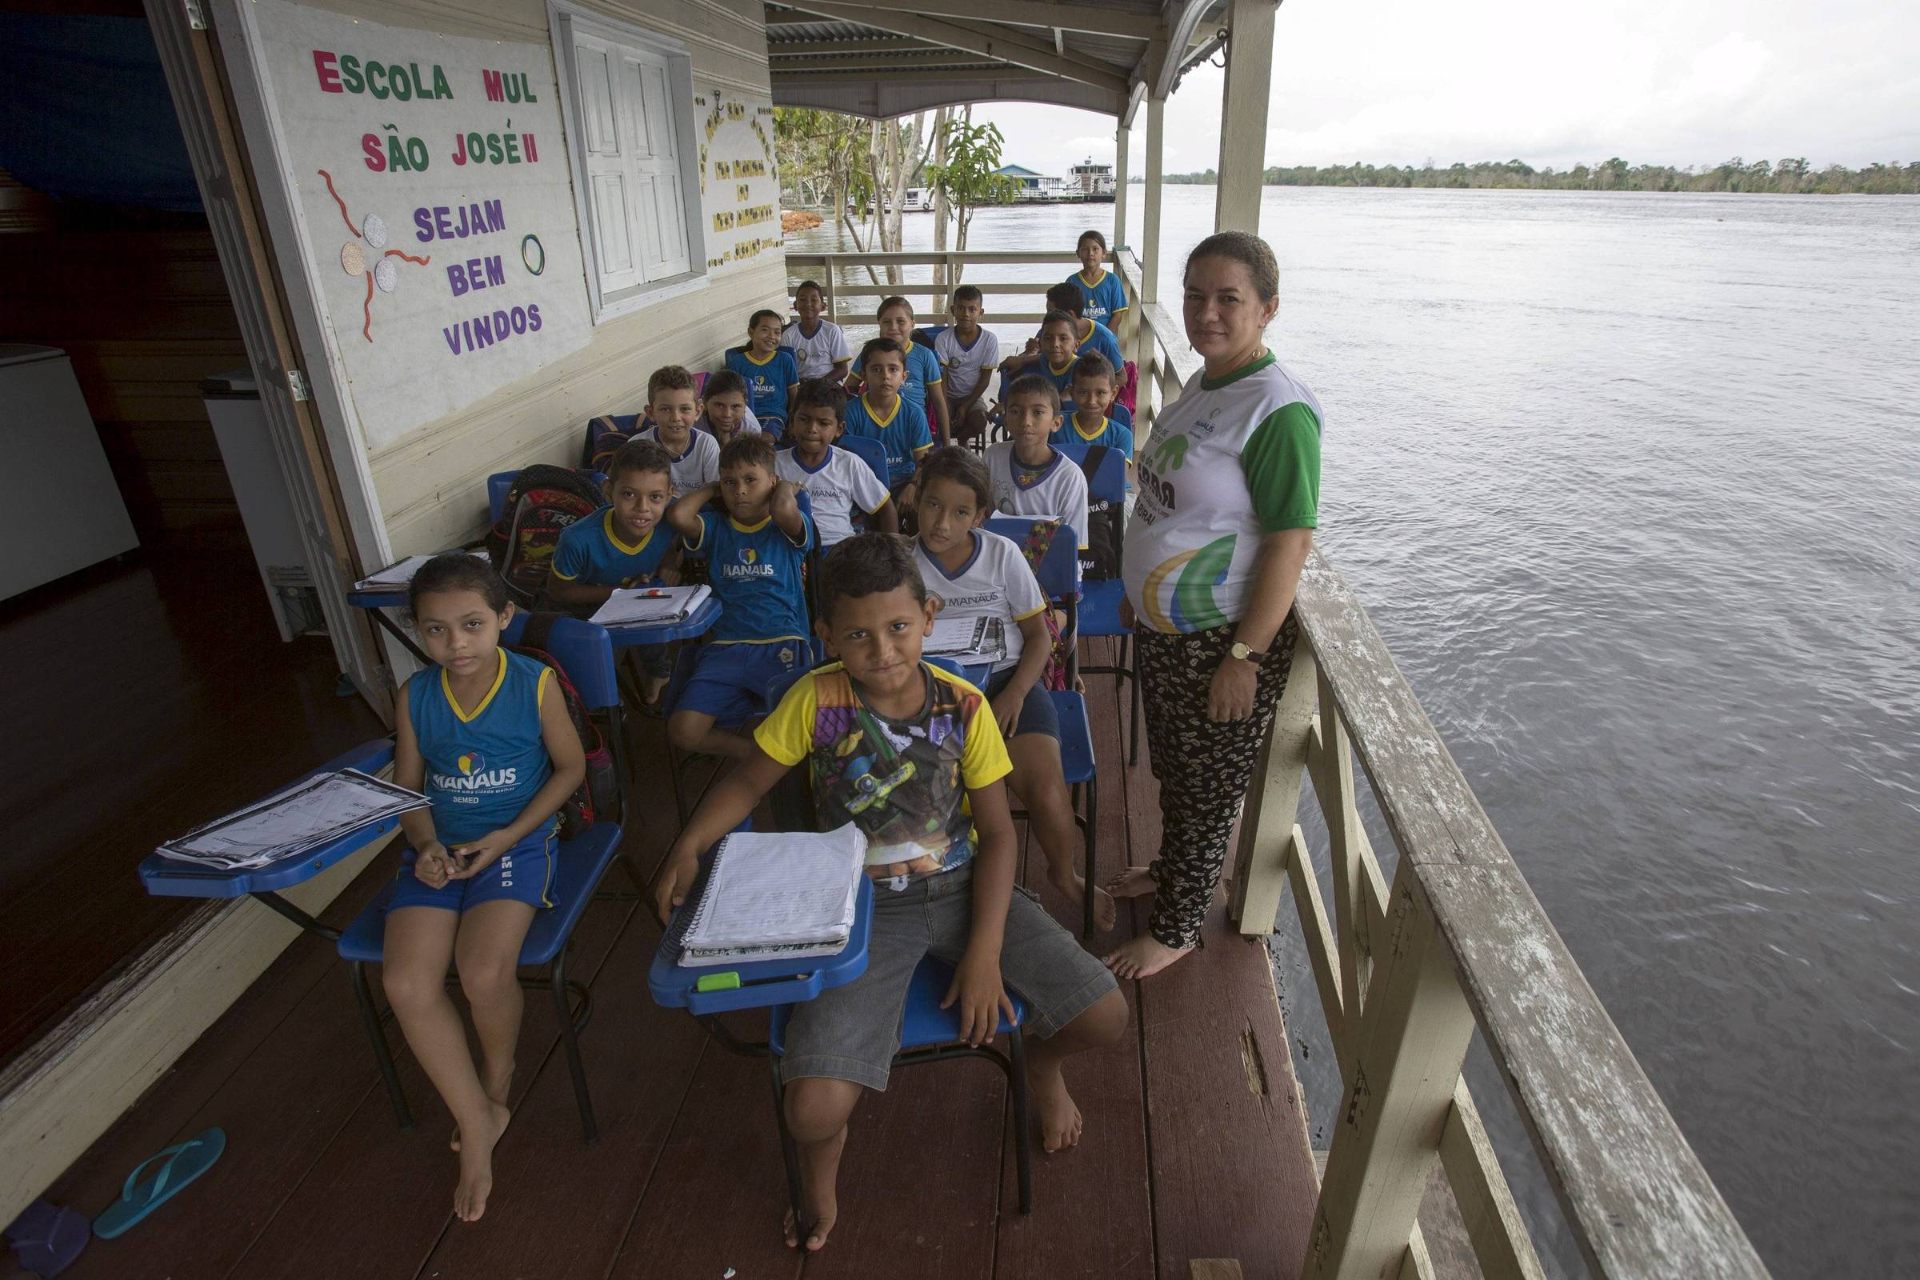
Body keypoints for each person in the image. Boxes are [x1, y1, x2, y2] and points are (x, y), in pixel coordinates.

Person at [653, 533, 1129, 1252]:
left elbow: (1000, 836)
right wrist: (689, 843)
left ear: (928, 615)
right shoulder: (814, 701)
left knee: (1104, 1016)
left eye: (898, 627)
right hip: (856, 909)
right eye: (858, 634)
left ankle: (1046, 1066)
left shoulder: (964, 705)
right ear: (827, 635)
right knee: (810, 1111)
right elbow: (750, 779)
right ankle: (822, 1174)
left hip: (968, 886)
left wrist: (985, 951)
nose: (882, 649)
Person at [1105, 230, 1323, 980]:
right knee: (1175, 772)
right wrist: (1139, 592)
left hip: (1218, 639)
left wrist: (1245, 656)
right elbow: (1173, 505)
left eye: (1229, 299)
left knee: (1208, 793)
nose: (1207, 313)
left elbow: (1290, 542)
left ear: (1267, 309)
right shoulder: (1205, 382)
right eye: (1196, 296)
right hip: (1168, 627)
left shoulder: (1277, 409)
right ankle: (1172, 873)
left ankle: (1175, 930)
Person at [382, 553, 586, 1223]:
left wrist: (507, 836)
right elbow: (408, 789)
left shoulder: (532, 684)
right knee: (406, 984)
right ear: (417, 630)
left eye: (472, 624)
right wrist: (424, 845)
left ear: (503, 617)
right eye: (435, 630)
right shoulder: (415, 696)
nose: (455, 644)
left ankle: (496, 1081)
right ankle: (477, 1121)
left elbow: (569, 769)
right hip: (439, 852)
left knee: (481, 973)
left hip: (517, 844)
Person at [914, 447, 1114, 930]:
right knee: (935, 797)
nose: (943, 523)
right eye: (932, 505)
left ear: (981, 516)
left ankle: (1063, 874)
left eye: (961, 512)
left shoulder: (1002, 554)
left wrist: (1016, 694)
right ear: (915, 501)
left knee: (1046, 789)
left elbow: (1040, 636)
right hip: (929, 695)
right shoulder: (900, 563)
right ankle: (952, 893)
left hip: (1005, 681)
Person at [662, 433, 815, 760]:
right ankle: (759, 759)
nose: (740, 490)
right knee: (682, 731)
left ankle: (781, 763)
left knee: (808, 725)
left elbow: (786, 508)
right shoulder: (717, 526)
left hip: (782, 642)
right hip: (725, 648)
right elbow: (678, 517)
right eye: (730, 482)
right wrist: (713, 488)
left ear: (771, 482)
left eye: (750, 480)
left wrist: (784, 487)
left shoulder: (783, 527)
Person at [545, 438, 679, 704]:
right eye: (629, 494)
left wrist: (668, 565)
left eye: (655, 497)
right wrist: (617, 593)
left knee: (651, 603)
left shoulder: (669, 521)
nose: (643, 508)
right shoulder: (578, 539)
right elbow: (557, 592)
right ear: (609, 491)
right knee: (593, 681)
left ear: (669, 495)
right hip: (582, 608)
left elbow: (672, 544)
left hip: (635, 599)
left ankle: (658, 671)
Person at [776, 379, 898, 547]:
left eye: (823, 423)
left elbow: (885, 508)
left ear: (839, 429)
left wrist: (892, 551)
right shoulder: (774, 464)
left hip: (839, 551)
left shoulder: (849, 464)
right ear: (792, 422)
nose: (812, 428)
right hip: (790, 549)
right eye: (804, 419)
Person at [986, 375, 1090, 551]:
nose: (1026, 421)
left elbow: (1073, 546)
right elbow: (984, 517)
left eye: (1038, 412)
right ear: (1005, 419)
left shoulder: (1070, 478)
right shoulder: (992, 457)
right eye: (1015, 411)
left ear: (1056, 423)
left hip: (1050, 569)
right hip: (998, 562)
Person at [842, 338, 933, 502]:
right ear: (864, 375)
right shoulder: (851, 412)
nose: (885, 376)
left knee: (919, 505)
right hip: (863, 483)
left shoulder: (914, 413)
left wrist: (913, 485)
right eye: (876, 369)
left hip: (903, 482)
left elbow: (924, 461)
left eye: (893, 369)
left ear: (904, 376)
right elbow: (844, 460)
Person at [1053, 354, 1135, 492]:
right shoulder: (1055, 426)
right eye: (1083, 392)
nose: (1091, 401)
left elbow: (1117, 479)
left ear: (1113, 393)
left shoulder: (1122, 435)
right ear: (1072, 393)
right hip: (1063, 495)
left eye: (1100, 393)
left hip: (1108, 501)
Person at [875, 295, 950, 445]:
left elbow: (938, 401)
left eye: (901, 321)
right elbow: (850, 388)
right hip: (877, 428)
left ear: (912, 324)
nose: (893, 327)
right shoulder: (871, 353)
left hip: (915, 429)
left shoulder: (924, 355)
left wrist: (947, 443)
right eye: (887, 322)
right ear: (879, 324)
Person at [637, 365, 720, 496]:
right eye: (665, 409)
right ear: (650, 412)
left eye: (685, 409)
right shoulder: (637, 446)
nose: (676, 418)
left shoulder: (706, 444)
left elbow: (715, 491)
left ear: (698, 411)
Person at [932, 285, 1000, 447]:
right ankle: (947, 447)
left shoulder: (989, 340)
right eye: (961, 308)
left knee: (979, 422)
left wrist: (965, 406)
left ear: (980, 313)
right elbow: (942, 377)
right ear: (953, 310)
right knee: (941, 419)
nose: (966, 314)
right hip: (946, 394)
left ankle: (962, 441)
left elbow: (984, 380)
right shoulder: (943, 339)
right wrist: (945, 404)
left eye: (972, 309)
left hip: (972, 396)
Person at [725, 309, 802, 435]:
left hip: (773, 417)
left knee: (763, 438)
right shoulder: (737, 362)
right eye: (765, 330)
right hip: (743, 416)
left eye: (777, 332)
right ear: (751, 332)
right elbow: (729, 395)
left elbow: (794, 395)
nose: (772, 336)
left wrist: (793, 421)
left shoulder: (784, 360)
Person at [781, 280, 852, 382]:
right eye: (802, 300)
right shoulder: (788, 335)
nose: (808, 304)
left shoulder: (832, 331)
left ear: (823, 306)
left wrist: (818, 385)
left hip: (829, 386)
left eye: (814, 300)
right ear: (795, 305)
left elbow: (842, 370)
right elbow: (786, 371)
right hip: (801, 388)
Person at [1065, 228, 1128, 329]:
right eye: (1085, 249)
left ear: (1103, 253)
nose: (1090, 253)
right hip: (1079, 338)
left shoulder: (1112, 281)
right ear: (1078, 253)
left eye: (1095, 249)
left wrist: (1105, 337)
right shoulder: (1072, 281)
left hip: (1105, 337)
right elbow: (1067, 315)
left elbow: (1117, 315)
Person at [697, 369, 763, 444]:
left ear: (745, 407)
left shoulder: (751, 430)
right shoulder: (692, 421)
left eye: (735, 406)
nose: (727, 414)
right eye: (720, 405)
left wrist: (725, 439)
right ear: (705, 403)